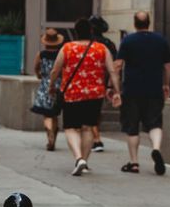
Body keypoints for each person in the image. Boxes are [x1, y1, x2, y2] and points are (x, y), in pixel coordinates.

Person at [50, 16, 119, 176]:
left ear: (75, 32)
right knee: (88, 127)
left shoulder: (67, 48)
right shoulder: (102, 48)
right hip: (95, 94)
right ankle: (84, 162)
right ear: (91, 31)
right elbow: (112, 71)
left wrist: (51, 86)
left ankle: (78, 157)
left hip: (72, 94)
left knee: (70, 128)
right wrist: (116, 91)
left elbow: (55, 70)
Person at [115, 10, 170, 175]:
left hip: (132, 89)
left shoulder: (128, 41)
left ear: (135, 23)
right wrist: (166, 84)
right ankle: (155, 148)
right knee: (155, 122)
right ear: (149, 22)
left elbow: (118, 65)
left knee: (132, 126)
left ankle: (134, 163)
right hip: (154, 89)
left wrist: (115, 87)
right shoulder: (160, 40)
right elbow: (168, 66)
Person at [30, 28, 65, 151]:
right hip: (59, 85)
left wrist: (39, 74)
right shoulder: (62, 53)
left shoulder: (41, 54)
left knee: (46, 114)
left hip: (45, 84)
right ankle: (53, 140)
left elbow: (36, 67)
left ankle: (49, 134)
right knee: (55, 114)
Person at [88, 16, 118, 152]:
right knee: (96, 109)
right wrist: (112, 85)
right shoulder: (109, 43)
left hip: (88, 78)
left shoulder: (88, 43)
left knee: (89, 110)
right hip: (103, 80)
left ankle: (96, 138)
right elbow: (115, 65)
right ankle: (95, 135)